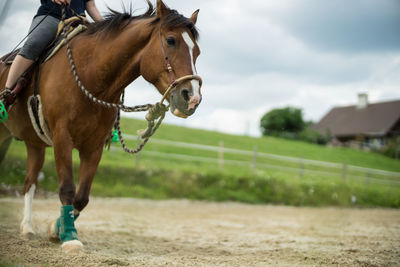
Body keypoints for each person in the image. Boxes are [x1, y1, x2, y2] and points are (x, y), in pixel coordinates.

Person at [1, 0, 102, 109]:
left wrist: (104, 26)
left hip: (79, 22)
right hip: (52, 16)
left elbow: (90, 5)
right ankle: (6, 94)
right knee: (34, 44)